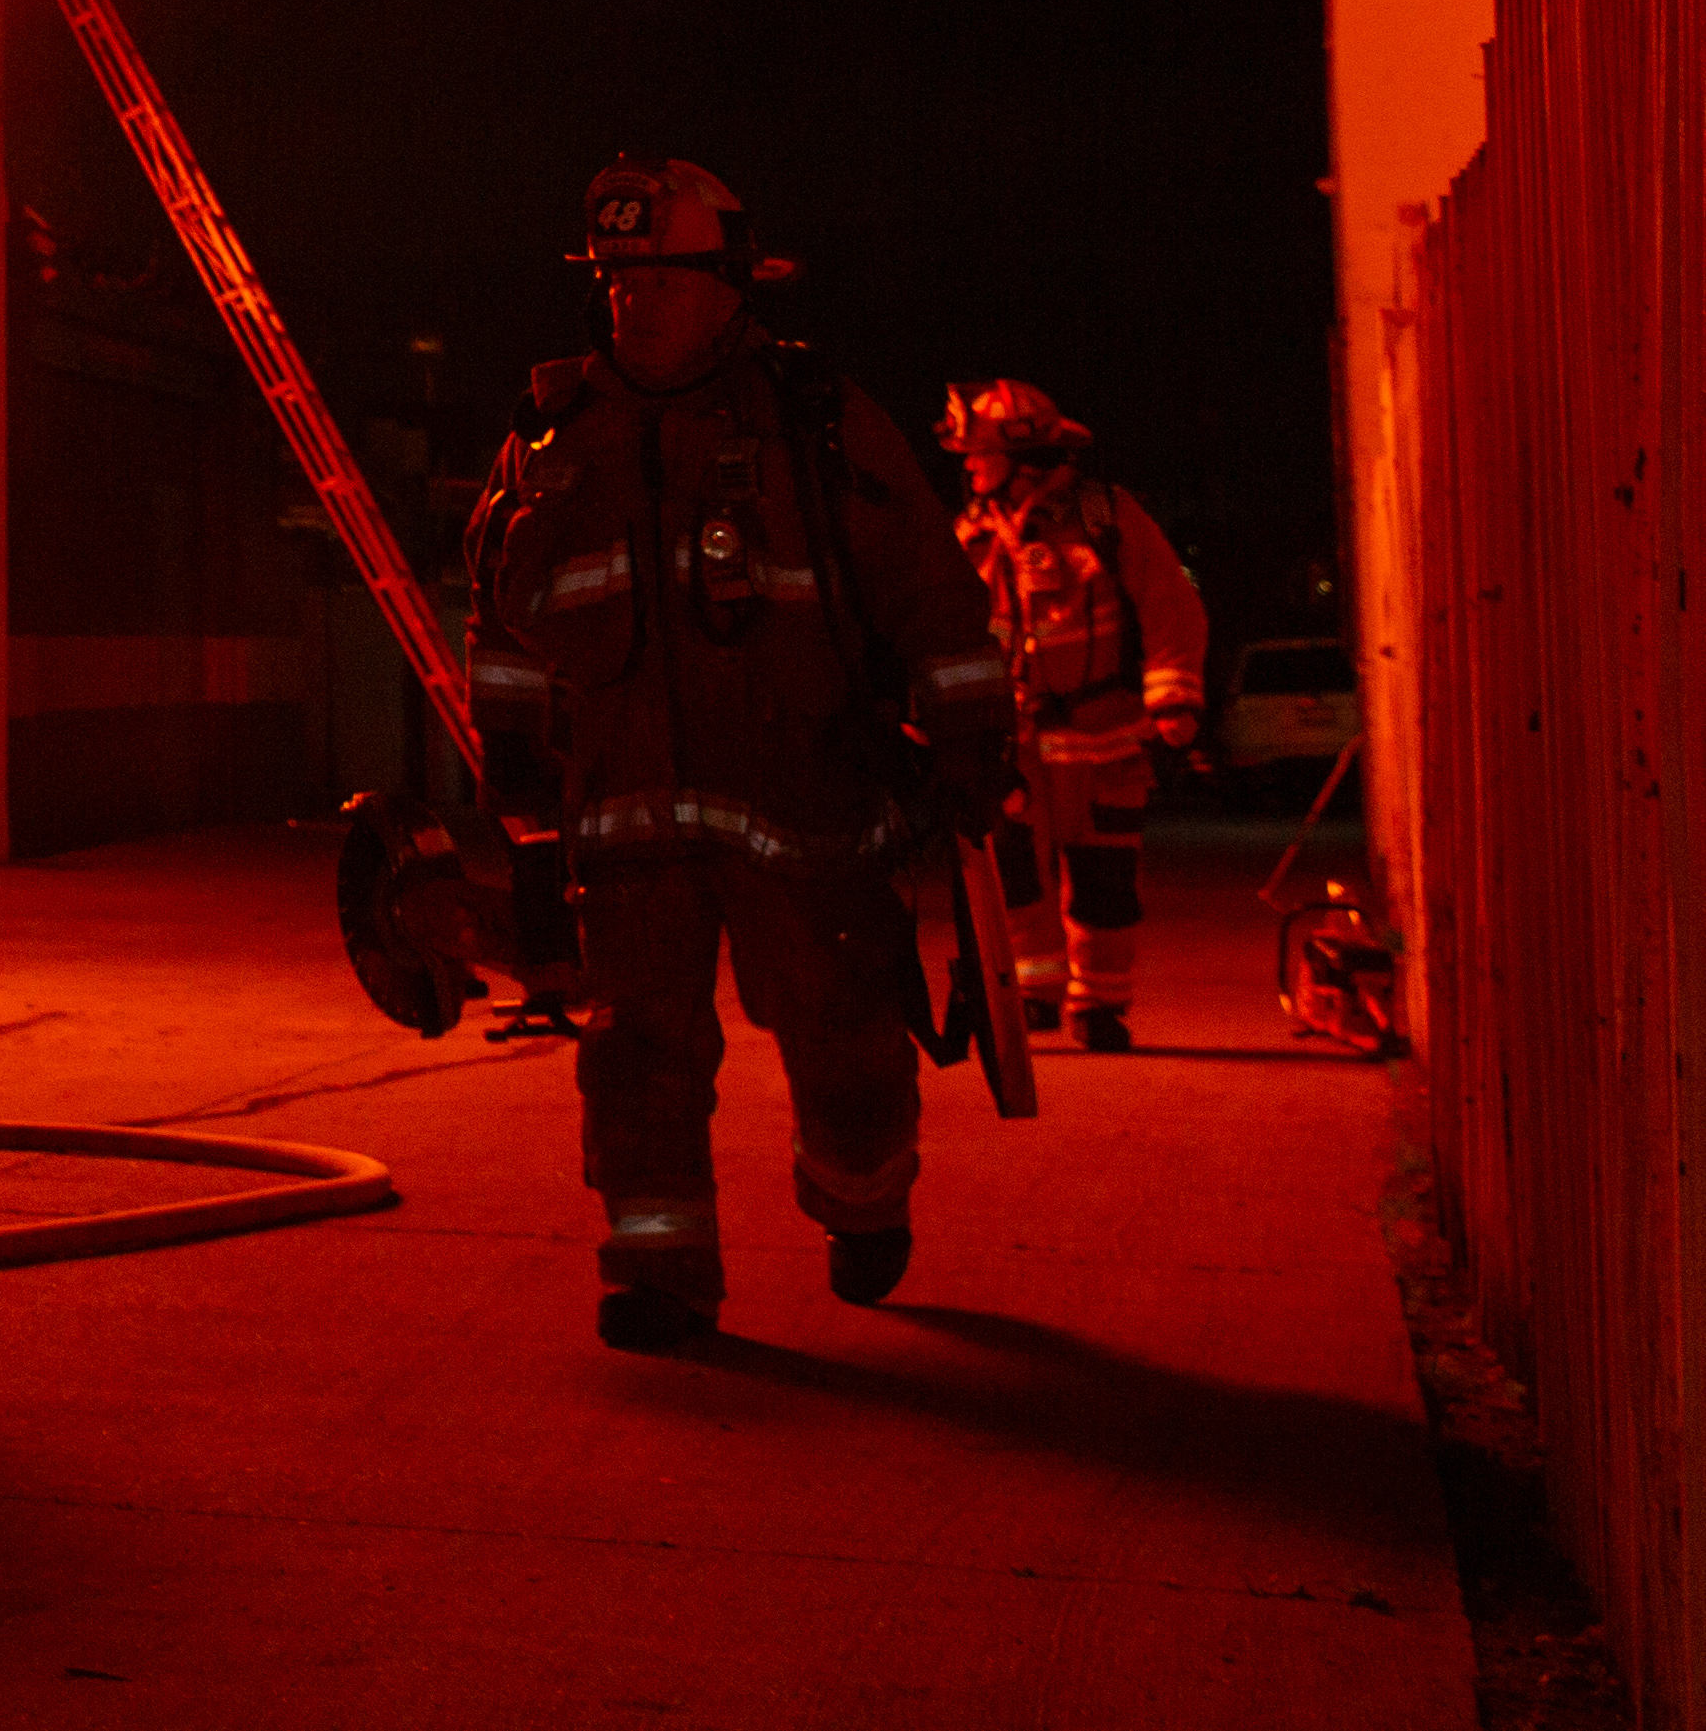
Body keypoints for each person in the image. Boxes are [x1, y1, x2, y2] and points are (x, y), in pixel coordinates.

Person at [429, 155, 1013, 1351]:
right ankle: (660, 1270)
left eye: (658, 275)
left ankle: (861, 1200)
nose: (628, 299)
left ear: (731, 283)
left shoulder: (817, 421)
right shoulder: (550, 435)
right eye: (613, 277)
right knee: (636, 1046)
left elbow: (930, 593)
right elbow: (497, 609)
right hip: (626, 811)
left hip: (803, 800)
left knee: (842, 1029)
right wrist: (506, 743)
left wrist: (968, 735)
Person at [943, 378, 1208, 1053]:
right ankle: (1031, 992)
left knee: (1103, 881)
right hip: (1013, 742)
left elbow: (1168, 603)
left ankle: (1100, 1004)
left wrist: (1172, 696)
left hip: (1103, 734)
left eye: (976, 451)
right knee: (1014, 874)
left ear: (1021, 453)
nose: (967, 465)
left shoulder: (1105, 518)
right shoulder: (971, 530)